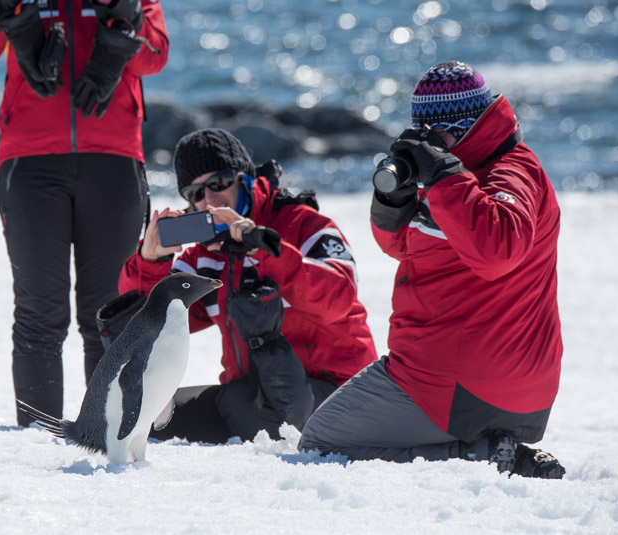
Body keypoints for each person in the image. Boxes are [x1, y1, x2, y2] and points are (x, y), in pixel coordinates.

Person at [298, 61, 566, 479]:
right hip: (493, 380)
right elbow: (406, 249)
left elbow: (499, 249)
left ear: (461, 127)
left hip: (454, 382)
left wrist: (442, 174)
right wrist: (394, 204)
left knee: (323, 442)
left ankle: (483, 455)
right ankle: (490, 449)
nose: (428, 143)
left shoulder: (512, 172)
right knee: (331, 438)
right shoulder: (464, 172)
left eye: (434, 135)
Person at [0, 0, 169, 426]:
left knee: (109, 310)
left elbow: (154, 57)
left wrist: (125, 15)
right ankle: (38, 437)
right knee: (40, 311)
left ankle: (108, 436)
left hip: (113, 162)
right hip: (30, 164)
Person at [113, 128, 378, 443]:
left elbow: (341, 295)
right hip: (255, 398)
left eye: (219, 183)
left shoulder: (304, 225)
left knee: (239, 400)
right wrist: (150, 262)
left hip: (341, 398)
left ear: (245, 179)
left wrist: (262, 250)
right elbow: (146, 321)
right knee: (145, 415)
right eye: (196, 193)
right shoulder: (203, 256)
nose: (210, 199)